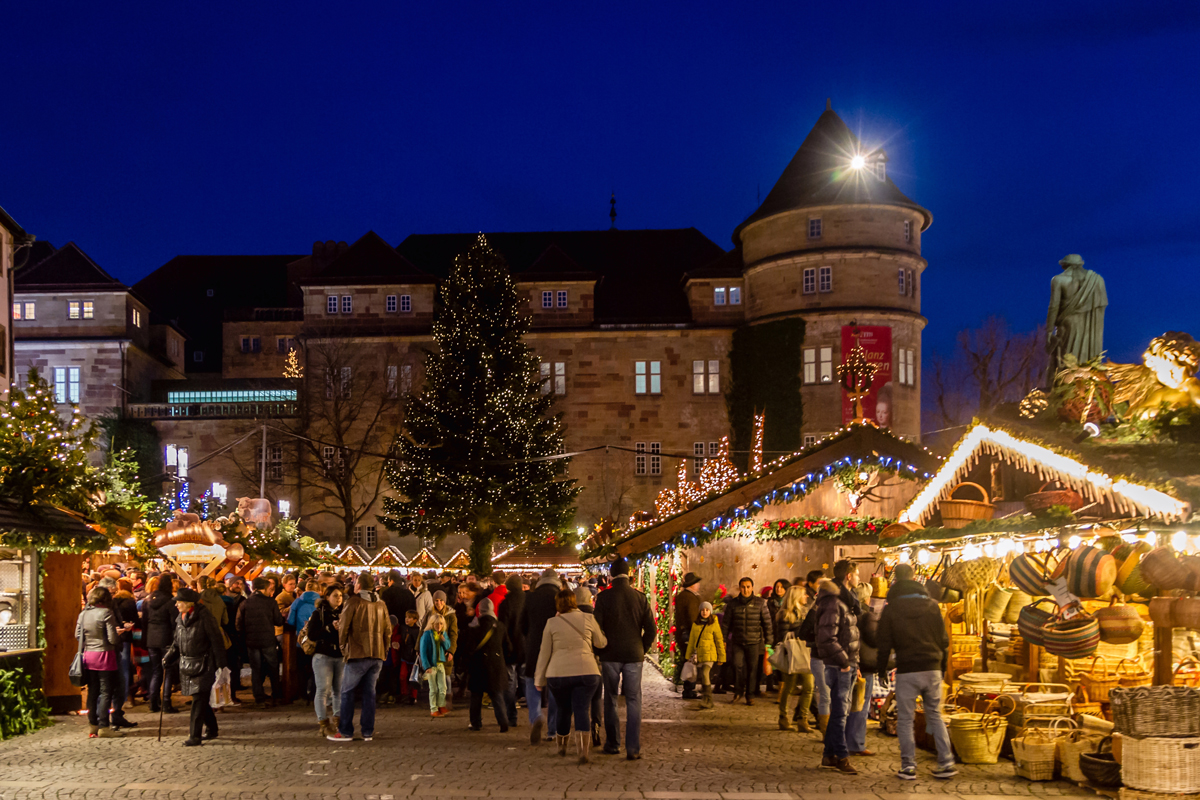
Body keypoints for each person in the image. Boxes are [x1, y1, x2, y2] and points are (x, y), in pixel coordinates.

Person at [875, 564, 957, 780]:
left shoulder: (891, 608)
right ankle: (946, 761)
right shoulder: (932, 606)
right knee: (935, 715)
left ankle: (908, 766)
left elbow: (883, 642)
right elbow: (944, 641)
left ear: (896, 580)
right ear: (914, 579)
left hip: (908, 669)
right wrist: (942, 668)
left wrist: (882, 667)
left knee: (905, 719)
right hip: (932, 667)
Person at [594, 557, 655, 761]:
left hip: (610, 654)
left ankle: (612, 744)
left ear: (610, 575)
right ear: (629, 574)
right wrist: (642, 648)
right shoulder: (640, 597)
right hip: (633, 654)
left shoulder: (604, 598)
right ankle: (633, 748)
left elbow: (596, 628)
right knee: (633, 700)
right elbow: (651, 629)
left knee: (610, 699)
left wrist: (600, 647)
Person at [536, 587, 607, 763]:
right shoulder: (588, 618)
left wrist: (539, 679)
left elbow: (544, 653)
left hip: (558, 672)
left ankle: (562, 747)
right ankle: (583, 750)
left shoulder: (551, 623)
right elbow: (601, 643)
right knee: (582, 709)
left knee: (563, 709)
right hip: (587, 671)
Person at [329, 572, 391, 741]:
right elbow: (388, 631)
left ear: (359, 585)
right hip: (376, 653)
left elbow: (344, 627)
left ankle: (346, 731)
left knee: (347, 692)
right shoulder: (381, 604)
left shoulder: (354, 602)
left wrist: (343, 647)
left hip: (358, 652)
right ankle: (367, 731)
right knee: (369, 693)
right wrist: (384, 651)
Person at [164, 586, 226, 746]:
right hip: (186, 664)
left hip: (204, 664)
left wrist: (221, 665)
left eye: (178, 602)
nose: (176, 605)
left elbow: (216, 641)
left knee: (198, 700)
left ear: (188, 603)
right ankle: (212, 729)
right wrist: (168, 657)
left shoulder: (205, 617)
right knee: (201, 700)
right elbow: (177, 642)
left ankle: (195, 736)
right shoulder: (180, 618)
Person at [814, 563, 861, 775]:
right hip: (839, 665)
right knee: (840, 713)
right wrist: (844, 662)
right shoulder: (834, 602)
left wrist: (854, 663)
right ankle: (842, 757)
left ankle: (829, 754)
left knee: (838, 712)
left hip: (847, 663)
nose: (859, 578)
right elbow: (827, 637)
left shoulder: (844, 600)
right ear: (849, 576)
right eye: (857, 574)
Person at [521, 568, 561, 744]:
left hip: (534, 646)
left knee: (531, 682)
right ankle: (552, 730)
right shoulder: (560, 597)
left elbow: (522, 625)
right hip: (556, 647)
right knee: (554, 688)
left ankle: (536, 716)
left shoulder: (530, 597)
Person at [76, 587, 122, 737]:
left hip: (89, 656)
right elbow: (112, 638)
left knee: (92, 691)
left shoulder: (83, 614)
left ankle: (92, 725)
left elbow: (78, 635)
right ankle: (104, 726)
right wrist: (119, 634)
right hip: (105, 656)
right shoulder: (106, 613)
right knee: (106, 691)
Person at [721, 576, 772, 705]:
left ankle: (750, 694)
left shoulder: (760, 603)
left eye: (748, 587)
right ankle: (738, 692)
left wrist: (769, 642)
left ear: (752, 588)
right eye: (743, 587)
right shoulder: (733, 604)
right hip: (738, 641)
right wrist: (723, 639)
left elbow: (767, 623)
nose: (745, 590)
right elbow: (726, 623)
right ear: (740, 588)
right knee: (737, 666)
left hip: (754, 641)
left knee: (752, 669)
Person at [236, 576, 284, 708]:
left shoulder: (245, 603)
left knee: (256, 669)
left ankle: (259, 697)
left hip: (252, 642)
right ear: (266, 587)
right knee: (273, 668)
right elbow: (278, 621)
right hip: (268, 640)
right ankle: (277, 695)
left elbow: (238, 624)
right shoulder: (270, 602)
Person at [465, 598, 510, 732]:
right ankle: (503, 722)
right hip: (496, 665)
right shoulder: (500, 626)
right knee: (497, 695)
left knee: (476, 696)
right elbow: (508, 647)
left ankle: (476, 723)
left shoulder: (474, 627)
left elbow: (469, 648)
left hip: (478, 665)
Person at [774, 584, 814, 732]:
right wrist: (799, 634)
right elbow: (782, 637)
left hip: (804, 654)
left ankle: (802, 719)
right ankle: (783, 718)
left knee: (809, 686)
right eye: (804, 594)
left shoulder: (805, 613)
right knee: (789, 687)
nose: (807, 597)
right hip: (792, 655)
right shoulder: (785, 615)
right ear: (796, 597)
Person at [845, 582, 879, 757]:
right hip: (864, 664)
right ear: (867, 597)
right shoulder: (867, 615)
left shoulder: (849, 614)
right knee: (861, 704)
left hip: (851, 662)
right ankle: (856, 743)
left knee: (849, 703)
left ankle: (846, 740)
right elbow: (874, 639)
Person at [308, 583, 345, 736]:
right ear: (327, 597)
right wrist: (329, 628)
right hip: (323, 655)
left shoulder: (345, 612)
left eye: (341, 596)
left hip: (340, 656)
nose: (339, 599)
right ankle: (323, 722)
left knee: (339, 690)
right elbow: (312, 634)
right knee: (323, 689)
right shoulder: (319, 613)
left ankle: (339, 721)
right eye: (335, 595)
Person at [143, 574, 179, 713]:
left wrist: (145, 640)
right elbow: (174, 622)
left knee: (156, 670)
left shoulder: (148, 600)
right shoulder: (171, 601)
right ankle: (166, 702)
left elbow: (144, 622)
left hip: (151, 638)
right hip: (166, 638)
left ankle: (153, 702)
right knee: (168, 671)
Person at [800, 568, 830, 731]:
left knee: (826, 694)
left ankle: (827, 727)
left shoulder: (836, 609)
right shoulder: (815, 609)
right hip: (820, 656)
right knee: (824, 693)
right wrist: (817, 639)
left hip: (831, 657)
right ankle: (826, 730)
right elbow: (803, 632)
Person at [684, 601, 725, 710]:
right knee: (702, 675)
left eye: (707, 610)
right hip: (700, 655)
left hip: (710, 654)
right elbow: (692, 641)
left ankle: (708, 699)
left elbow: (719, 640)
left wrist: (721, 657)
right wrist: (688, 656)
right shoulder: (696, 624)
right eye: (703, 610)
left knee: (705, 673)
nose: (705, 612)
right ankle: (706, 699)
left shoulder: (714, 624)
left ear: (710, 611)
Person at [497, 573, 525, 726]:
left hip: (510, 647)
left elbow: (503, 627)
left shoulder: (505, 604)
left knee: (509, 682)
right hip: (525, 646)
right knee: (526, 678)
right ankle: (535, 710)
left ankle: (511, 714)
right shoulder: (528, 600)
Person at [289, 579, 322, 705]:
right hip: (316, 640)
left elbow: (291, 621)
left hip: (301, 641)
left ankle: (302, 695)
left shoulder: (297, 602)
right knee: (316, 669)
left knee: (301, 669)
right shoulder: (321, 602)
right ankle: (314, 694)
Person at [673, 572, 701, 699]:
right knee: (691, 660)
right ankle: (689, 689)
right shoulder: (691, 598)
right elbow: (692, 617)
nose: (699, 585)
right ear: (692, 585)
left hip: (682, 633)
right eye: (697, 583)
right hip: (690, 634)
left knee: (687, 659)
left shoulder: (681, 596)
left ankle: (687, 687)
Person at [420, 614, 452, 718]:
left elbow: (447, 645)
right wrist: (426, 666)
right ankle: (433, 708)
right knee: (433, 688)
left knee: (443, 687)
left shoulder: (443, 634)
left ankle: (441, 705)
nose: (439, 626)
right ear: (432, 624)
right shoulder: (427, 634)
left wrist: (443, 639)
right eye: (437, 624)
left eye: (441, 624)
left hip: (440, 664)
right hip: (431, 665)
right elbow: (423, 652)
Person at [396, 609, 421, 705]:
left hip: (413, 658)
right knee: (402, 676)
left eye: (410, 618)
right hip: (404, 656)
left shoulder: (417, 631)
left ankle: (413, 696)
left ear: (415, 620)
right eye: (406, 617)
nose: (407, 619)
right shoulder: (403, 628)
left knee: (414, 677)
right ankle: (404, 694)